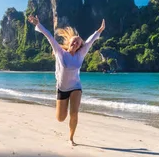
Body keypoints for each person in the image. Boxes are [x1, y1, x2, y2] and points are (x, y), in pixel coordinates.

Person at [27, 15, 105, 146]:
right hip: (62, 89)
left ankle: (71, 138)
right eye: (74, 41)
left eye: (78, 42)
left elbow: (90, 41)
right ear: (69, 43)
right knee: (60, 118)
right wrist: (38, 24)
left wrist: (100, 30)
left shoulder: (81, 54)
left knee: (74, 113)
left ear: (80, 46)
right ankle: (63, 118)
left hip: (76, 87)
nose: (75, 43)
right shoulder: (60, 52)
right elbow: (49, 37)